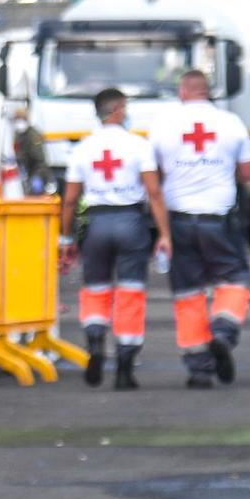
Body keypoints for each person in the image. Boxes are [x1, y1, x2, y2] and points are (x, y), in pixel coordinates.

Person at [150, 69, 250, 390]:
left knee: (188, 293)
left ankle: (199, 368)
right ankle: (223, 331)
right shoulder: (231, 123)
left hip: (178, 220)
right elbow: (249, 173)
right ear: (207, 92)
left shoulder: (162, 125)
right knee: (236, 278)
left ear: (183, 91)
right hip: (218, 218)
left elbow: (151, 178)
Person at [59, 88, 171, 390]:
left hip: (96, 223)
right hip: (131, 222)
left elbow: (69, 200)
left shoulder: (83, 148)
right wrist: (164, 234)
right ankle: (124, 365)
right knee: (130, 292)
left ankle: (95, 341)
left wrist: (66, 237)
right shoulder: (138, 145)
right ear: (118, 110)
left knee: (95, 289)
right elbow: (155, 193)